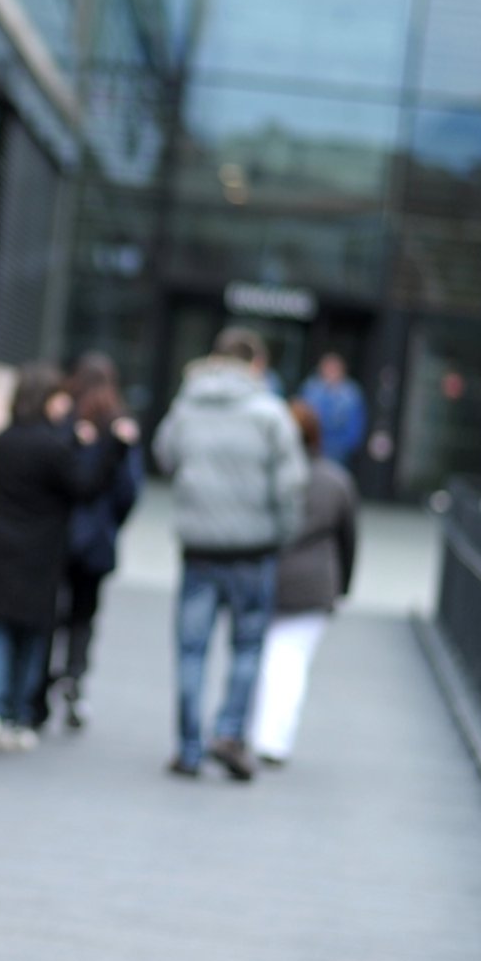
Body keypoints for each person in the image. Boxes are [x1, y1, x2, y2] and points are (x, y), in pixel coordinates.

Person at [152, 328, 307, 781]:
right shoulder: (270, 413)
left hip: (199, 548)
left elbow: (164, 457)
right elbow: (291, 485)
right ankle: (229, 732)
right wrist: (282, 534)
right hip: (254, 550)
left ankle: (188, 748)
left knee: (191, 651)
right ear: (255, 364)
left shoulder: (188, 405)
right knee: (247, 647)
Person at [0, 364, 137, 754]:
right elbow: (86, 487)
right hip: (40, 553)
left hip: (0, 546)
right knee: (30, 635)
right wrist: (111, 448)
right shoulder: (54, 448)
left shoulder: (4, 439)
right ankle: (16, 713)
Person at [248, 401, 358, 767]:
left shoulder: (263, 474)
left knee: (261, 658)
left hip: (267, 575)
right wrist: (342, 588)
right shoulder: (335, 480)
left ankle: (252, 731)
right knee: (290, 663)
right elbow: (348, 541)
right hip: (313, 583)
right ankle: (274, 739)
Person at [46, 353, 145, 731]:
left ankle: (45, 681)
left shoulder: (63, 420)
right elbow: (129, 490)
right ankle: (74, 678)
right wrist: (111, 523)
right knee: (84, 615)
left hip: (60, 532)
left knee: (53, 610)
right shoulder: (119, 427)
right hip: (98, 537)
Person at [298, 352, 367, 467]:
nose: (331, 373)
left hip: (338, 450)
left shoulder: (351, 394)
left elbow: (355, 425)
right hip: (312, 448)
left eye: (334, 369)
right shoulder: (311, 388)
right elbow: (301, 416)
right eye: (328, 368)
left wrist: (348, 447)